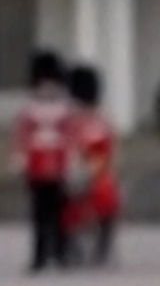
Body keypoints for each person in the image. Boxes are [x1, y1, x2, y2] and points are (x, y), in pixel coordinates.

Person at [14, 50, 75, 272]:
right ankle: (39, 256)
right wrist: (20, 161)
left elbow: (70, 139)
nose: (47, 89)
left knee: (60, 214)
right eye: (43, 84)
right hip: (37, 167)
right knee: (39, 214)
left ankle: (61, 253)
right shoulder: (29, 110)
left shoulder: (65, 109)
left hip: (58, 166)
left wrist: (71, 164)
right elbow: (22, 138)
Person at [65, 64, 120, 267]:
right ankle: (68, 245)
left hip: (97, 175)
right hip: (72, 174)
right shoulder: (70, 121)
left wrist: (89, 174)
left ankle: (103, 245)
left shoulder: (99, 121)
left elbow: (103, 155)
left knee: (107, 196)